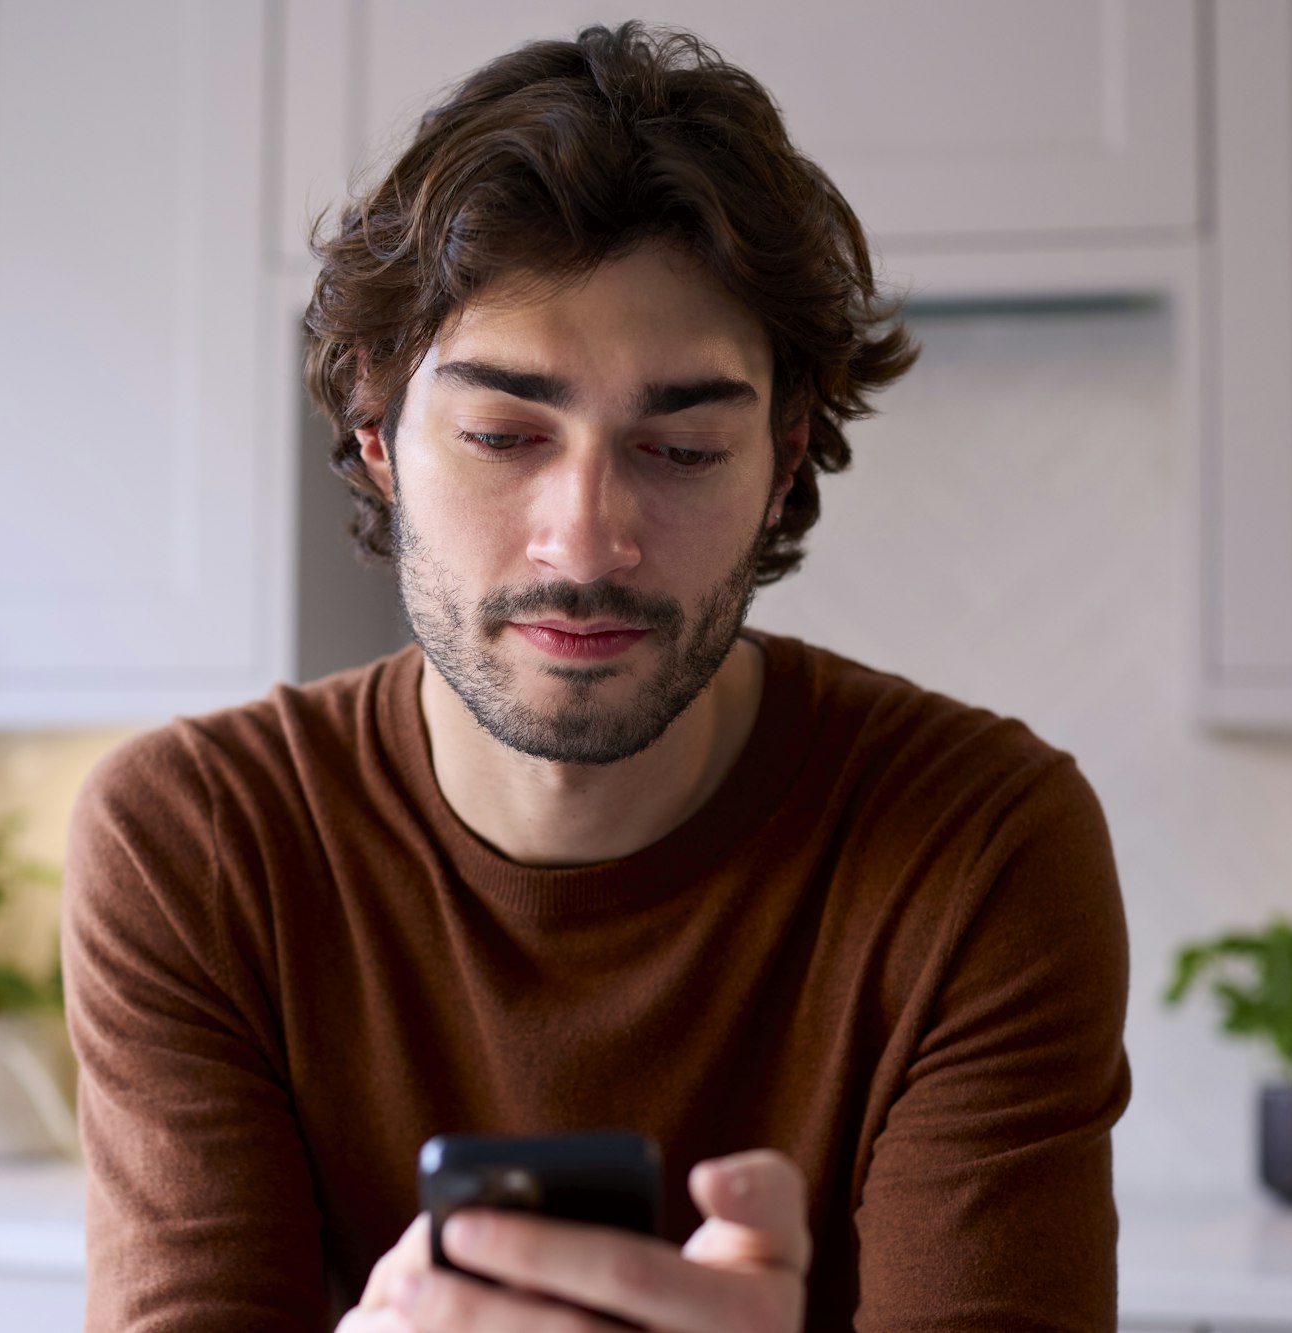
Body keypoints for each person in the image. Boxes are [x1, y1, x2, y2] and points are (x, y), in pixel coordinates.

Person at [63, 20, 1131, 1332]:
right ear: (378, 434)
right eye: (504, 433)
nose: (585, 539)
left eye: (679, 449)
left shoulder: (979, 847)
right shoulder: (195, 839)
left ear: (785, 460)